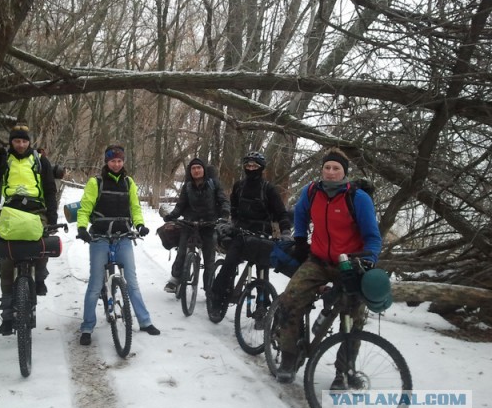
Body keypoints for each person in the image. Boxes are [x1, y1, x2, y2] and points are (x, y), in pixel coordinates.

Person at [275, 148, 382, 388]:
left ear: (344, 172)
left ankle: (343, 372)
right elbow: (301, 215)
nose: (331, 172)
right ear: (322, 169)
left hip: (350, 264)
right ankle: (289, 358)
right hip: (318, 261)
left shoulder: (358, 198)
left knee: (352, 317)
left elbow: (373, 236)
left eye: (336, 168)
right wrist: (301, 240)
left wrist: (369, 259)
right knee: (290, 301)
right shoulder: (312, 192)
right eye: (327, 167)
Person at [0, 122, 58, 335]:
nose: (21, 144)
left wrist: (52, 219)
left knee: (42, 243)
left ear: (30, 142)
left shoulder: (40, 160)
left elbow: (50, 190)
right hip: (10, 212)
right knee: (7, 260)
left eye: (24, 141)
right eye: (17, 140)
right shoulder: (4, 161)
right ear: (11, 141)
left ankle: (40, 276)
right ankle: (7, 316)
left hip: (37, 211)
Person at [76, 145, 160, 345]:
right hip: (100, 237)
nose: (116, 164)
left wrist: (140, 224)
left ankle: (145, 321)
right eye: (113, 161)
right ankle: (87, 327)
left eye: (120, 161)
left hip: (123, 236)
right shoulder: (95, 182)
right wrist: (81, 228)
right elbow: (85, 207)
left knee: (131, 282)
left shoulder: (128, 182)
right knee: (95, 284)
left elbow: (135, 207)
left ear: (124, 162)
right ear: (107, 162)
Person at [210, 151, 292, 313]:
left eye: (254, 165)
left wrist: (286, 232)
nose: (251, 168)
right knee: (229, 264)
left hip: (262, 236)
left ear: (261, 168)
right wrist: (232, 223)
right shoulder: (239, 186)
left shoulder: (269, 189)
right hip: (240, 233)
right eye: (248, 165)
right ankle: (217, 299)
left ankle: (263, 307)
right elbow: (233, 207)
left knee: (263, 272)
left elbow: (281, 213)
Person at [162, 158, 230, 293]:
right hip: (190, 222)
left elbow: (223, 200)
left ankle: (209, 287)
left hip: (209, 223)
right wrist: (172, 216)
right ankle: (175, 279)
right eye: (193, 168)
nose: (196, 171)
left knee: (209, 257)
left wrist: (225, 213)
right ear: (190, 171)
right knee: (181, 251)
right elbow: (180, 205)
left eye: (199, 168)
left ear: (204, 170)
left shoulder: (213, 184)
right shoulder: (187, 186)